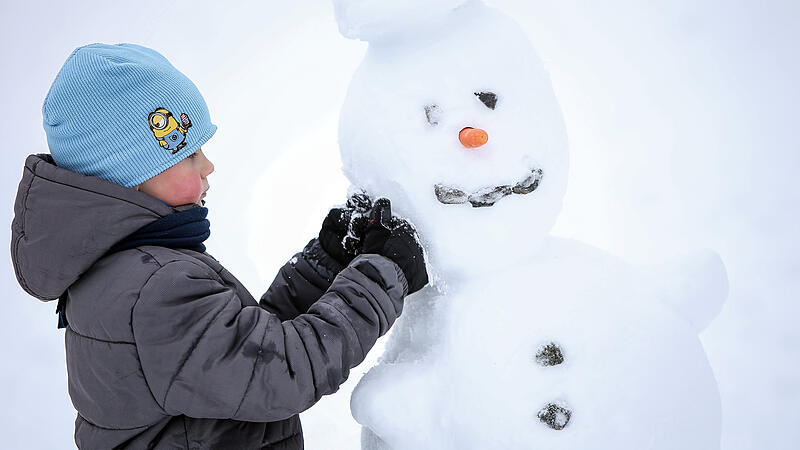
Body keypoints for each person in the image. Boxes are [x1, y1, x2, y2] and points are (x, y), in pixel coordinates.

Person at [9, 43, 428, 449]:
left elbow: (241, 354)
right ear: (130, 172)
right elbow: (279, 372)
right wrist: (379, 277)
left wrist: (326, 264)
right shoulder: (152, 286)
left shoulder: (129, 272)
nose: (208, 165)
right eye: (190, 154)